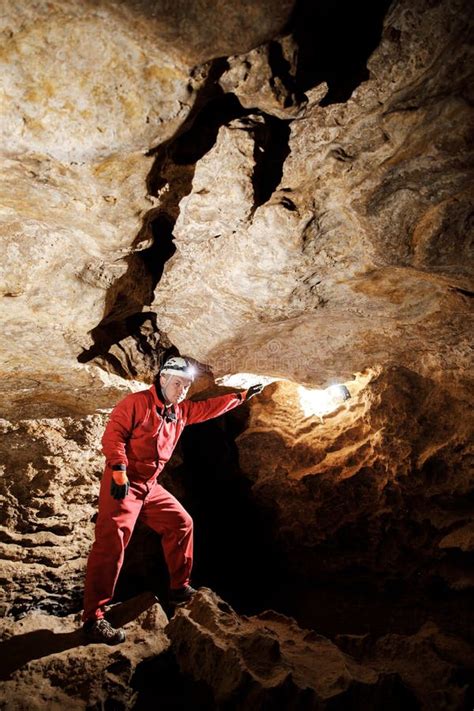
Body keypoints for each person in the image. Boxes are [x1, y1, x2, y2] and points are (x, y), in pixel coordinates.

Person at [82, 356, 264, 645]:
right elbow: (113, 436)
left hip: (150, 486)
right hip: (124, 482)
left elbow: (208, 408)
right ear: (163, 379)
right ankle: (93, 617)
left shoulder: (180, 411)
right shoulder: (137, 403)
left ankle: (179, 587)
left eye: (186, 386)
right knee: (111, 545)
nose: (181, 390)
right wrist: (118, 469)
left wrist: (240, 397)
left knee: (181, 523)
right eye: (177, 383)